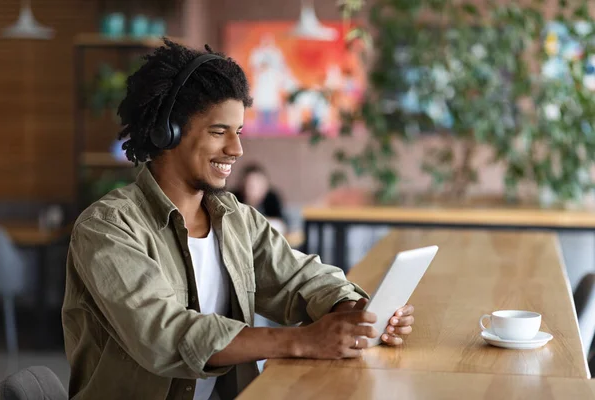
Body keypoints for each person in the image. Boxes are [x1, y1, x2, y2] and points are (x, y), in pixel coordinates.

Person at [61, 39, 415, 400]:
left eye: (239, 132)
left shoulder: (235, 219)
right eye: (219, 132)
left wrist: (354, 312)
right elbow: (164, 337)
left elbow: (301, 279)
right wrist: (301, 341)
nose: (237, 149)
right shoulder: (107, 228)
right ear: (167, 132)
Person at [232, 164, 286, 234]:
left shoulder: (272, 198)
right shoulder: (233, 197)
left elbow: (280, 224)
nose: (252, 189)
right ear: (242, 185)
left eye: (257, 184)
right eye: (250, 185)